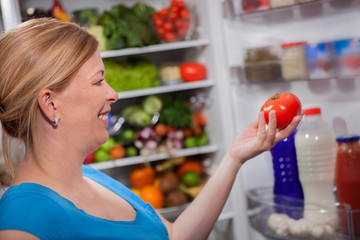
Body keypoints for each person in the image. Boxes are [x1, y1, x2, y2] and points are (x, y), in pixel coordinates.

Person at [0, 18, 302, 240]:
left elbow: (174, 236)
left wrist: (234, 158)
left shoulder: (93, 179)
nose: (113, 93)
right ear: (50, 104)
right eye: (97, 81)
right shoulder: (22, 221)